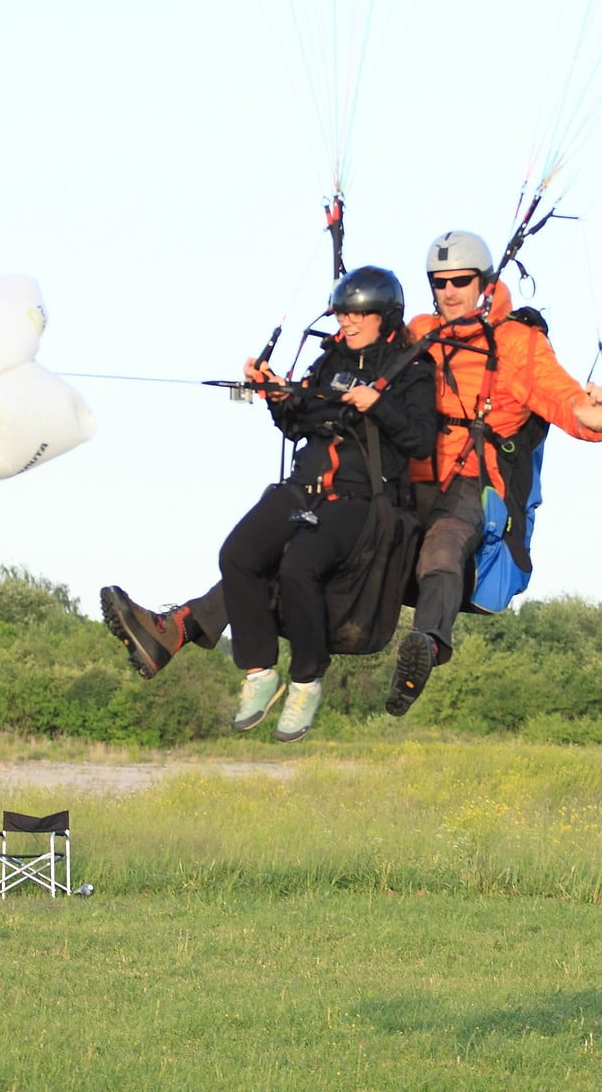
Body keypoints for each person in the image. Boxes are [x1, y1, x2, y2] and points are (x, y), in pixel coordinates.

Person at [100, 266, 436, 741]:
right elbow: (299, 423)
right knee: (238, 554)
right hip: (304, 485)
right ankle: (259, 671)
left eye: (359, 314)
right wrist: (276, 393)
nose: (347, 321)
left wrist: (377, 404)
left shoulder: (412, 369)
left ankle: (306, 682)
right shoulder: (330, 361)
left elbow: (421, 440)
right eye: (342, 313)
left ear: (385, 316)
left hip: (362, 497)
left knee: (299, 565)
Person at [386, 229, 602, 715]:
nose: (449, 292)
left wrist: (592, 413)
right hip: (413, 475)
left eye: (460, 281)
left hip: (474, 479)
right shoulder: (419, 332)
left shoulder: (517, 343)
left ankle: (426, 644)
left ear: (484, 282)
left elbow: (560, 396)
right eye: (439, 282)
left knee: (444, 543)